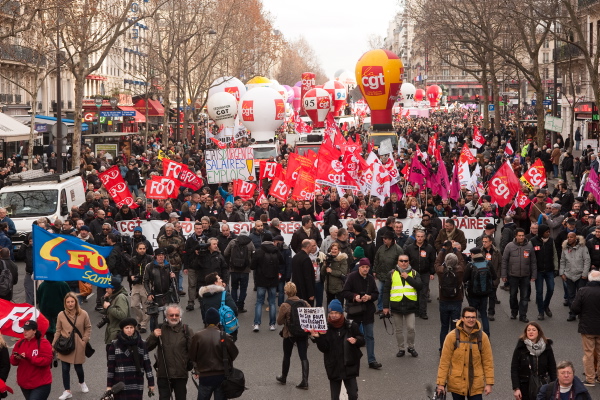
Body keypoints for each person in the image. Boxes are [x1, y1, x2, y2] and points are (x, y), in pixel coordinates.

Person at [310, 299, 365, 400]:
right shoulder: (325, 329)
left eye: (336, 313)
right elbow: (324, 349)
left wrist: (356, 340)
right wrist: (318, 338)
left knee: (353, 395)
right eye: (331, 313)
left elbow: (362, 340)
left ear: (341, 313)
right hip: (333, 367)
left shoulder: (351, 326)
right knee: (334, 398)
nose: (334, 315)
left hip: (349, 366)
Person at [436, 307, 495, 400]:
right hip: (457, 383)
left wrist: (489, 383)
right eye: (468, 317)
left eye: (473, 317)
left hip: (475, 383)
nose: (471, 320)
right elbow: (444, 361)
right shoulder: (452, 336)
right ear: (462, 318)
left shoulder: (482, 337)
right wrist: (441, 384)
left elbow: (488, 361)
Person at [189, 307, 239, 400]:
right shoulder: (224, 336)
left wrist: (197, 369)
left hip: (205, 377)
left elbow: (192, 355)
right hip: (221, 376)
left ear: (206, 321)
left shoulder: (198, 336)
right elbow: (234, 353)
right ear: (218, 320)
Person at [146, 304, 193, 400]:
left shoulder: (186, 330)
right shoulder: (160, 329)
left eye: (176, 315)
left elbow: (193, 351)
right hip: (163, 373)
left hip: (180, 373)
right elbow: (146, 347)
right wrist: (153, 336)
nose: (174, 317)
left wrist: (196, 369)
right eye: (171, 315)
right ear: (166, 316)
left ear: (180, 316)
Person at [342, 257, 381, 369]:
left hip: (367, 311)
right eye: (363, 267)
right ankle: (349, 358)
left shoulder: (370, 278)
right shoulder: (352, 277)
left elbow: (376, 294)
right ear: (359, 267)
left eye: (367, 267)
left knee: (369, 336)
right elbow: (345, 292)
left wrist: (369, 297)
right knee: (351, 336)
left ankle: (372, 360)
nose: (365, 269)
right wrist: (355, 297)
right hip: (354, 311)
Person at [382, 254, 423, 358]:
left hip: (410, 306)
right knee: (398, 329)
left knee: (411, 328)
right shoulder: (391, 274)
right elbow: (386, 291)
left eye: (406, 261)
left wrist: (408, 277)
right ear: (397, 262)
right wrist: (385, 307)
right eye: (401, 261)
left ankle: (411, 347)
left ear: (409, 262)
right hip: (396, 305)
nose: (404, 263)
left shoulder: (414, 273)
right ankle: (401, 348)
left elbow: (419, 286)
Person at [54, 292, 91, 400]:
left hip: (78, 344)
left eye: (72, 301)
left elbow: (88, 327)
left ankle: (82, 382)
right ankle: (67, 390)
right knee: (65, 369)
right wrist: (53, 345)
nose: (70, 304)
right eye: (68, 302)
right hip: (65, 345)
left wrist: (84, 340)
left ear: (75, 302)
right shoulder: (61, 314)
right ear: (65, 303)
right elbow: (58, 330)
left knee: (78, 367)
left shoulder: (83, 313)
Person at [106, 318, 155, 400]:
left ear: (134, 328)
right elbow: (111, 367)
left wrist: (151, 382)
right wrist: (109, 386)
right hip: (120, 383)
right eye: (127, 328)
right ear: (122, 329)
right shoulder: (114, 345)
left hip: (136, 381)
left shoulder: (142, 343)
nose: (129, 330)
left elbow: (147, 364)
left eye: (131, 327)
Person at [276, 282, 311, 389]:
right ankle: (305, 381)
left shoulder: (285, 305)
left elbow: (279, 322)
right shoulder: (304, 303)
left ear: (286, 292)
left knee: (287, 355)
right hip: (302, 334)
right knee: (303, 356)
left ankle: (284, 377)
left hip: (289, 333)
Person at [510, 322, 557, 400]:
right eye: (528, 330)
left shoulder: (546, 347)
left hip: (543, 385)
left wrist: (555, 386)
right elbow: (514, 369)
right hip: (525, 387)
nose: (531, 332)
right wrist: (516, 388)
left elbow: (552, 368)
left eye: (533, 330)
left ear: (538, 332)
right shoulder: (521, 348)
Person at [570, 270, 600, 386]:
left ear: (589, 279)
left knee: (588, 353)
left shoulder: (583, 291)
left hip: (587, 327)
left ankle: (590, 378)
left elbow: (575, 308)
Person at [502, 228, 537, 322]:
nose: (521, 237)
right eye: (519, 235)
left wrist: (534, 275)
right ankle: (514, 312)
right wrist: (504, 275)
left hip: (525, 276)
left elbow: (533, 261)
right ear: (515, 236)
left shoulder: (529, 246)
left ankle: (523, 315)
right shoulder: (509, 246)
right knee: (513, 295)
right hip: (513, 275)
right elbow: (504, 261)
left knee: (524, 297)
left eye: (523, 235)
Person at [11, 320, 53, 399]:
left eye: (27, 330)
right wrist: (15, 358)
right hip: (24, 384)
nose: (25, 332)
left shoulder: (43, 343)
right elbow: (12, 362)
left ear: (34, 331)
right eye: (24, 330)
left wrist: (29, 357)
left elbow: (47, 360)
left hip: (41, 384)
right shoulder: (20, 343)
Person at [250, 232, 283, 332]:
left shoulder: (259, 251)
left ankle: (257, 324)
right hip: (273, 280)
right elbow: (282, 262)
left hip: (261, 280)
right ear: (272, 241)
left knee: (259, 302)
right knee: (272, 302)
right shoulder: (276, 251)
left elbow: (252, 266)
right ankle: (272, 324)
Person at [435, 248, 467, 350]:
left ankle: (442, 348)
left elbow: (437, 262)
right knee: (454, 327)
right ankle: (453, 348)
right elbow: (462, 261)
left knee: (444, 327)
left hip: (443, 301)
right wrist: (456, 250)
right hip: (456, 301)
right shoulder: (460, 271)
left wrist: (443, 250)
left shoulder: (441, 271)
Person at [464, 248, 496, 338]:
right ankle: (486, 335)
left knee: (472, 315)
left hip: (473, 294)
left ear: (473, 254)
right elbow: (494, 276)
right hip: (485, 293)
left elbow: (464, 279)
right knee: (483, 314)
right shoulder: (488, 263)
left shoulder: (470, 265)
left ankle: (473, 334)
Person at [404, 229, 436, 319]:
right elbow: (406, 260)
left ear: (424, 237)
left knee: (423, 293)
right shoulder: (410, 248)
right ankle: (415, 311)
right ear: (415, 237)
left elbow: (432, 261)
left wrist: (432, 272)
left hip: (425, 273)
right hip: (413, 273)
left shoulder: (429, 248)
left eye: (422, 236)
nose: (420, 238)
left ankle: (423, 312)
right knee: (414, 292)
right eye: (418, 236)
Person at [143, 248, 177, 331]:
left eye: (162, 255)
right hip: (155, 295)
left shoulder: (169, 266)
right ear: (155, 256)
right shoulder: (149, 266)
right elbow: (145, 281)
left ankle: (168, 332)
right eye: (159, 255)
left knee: (168, 315)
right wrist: (149, 293)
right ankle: (153, 334)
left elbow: (174, 283)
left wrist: (173, 277)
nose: (161, 257)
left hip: (167, 294)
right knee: (154, 317)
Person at [529, 224, 558, 321]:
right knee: (539, 292)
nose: (548, 233)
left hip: (549, 270)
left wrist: (556, 268)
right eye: (546, 232)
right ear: (541, 232)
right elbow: (530, 256)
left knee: (551, 289)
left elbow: (555, 254)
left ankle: (546, 305)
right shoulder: (533, 241)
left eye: (549, 232)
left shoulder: (551, 241)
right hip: (538, 271)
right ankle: (541, 312)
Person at [560, 232, 591, 321]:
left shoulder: (582, 247)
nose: (569, 239)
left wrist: (585, 274)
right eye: (568, 237)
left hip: (581, 276)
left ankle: (582, 314)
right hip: (569, 275)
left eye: (571, 237)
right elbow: (562, 261)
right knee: (571, 296)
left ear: (575, 238)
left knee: (581, 296)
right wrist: (562, 273)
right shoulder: (565, 248)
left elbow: (587, 260)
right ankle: (572, 313)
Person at [198, 272, 238, 340]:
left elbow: (203, 313)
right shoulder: (224, 294)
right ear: (215, 282)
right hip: (225, 328)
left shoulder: (204, 297)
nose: (221, 280)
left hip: (211, 329)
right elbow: (234, 309)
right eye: (219, 279)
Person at [223, 230, 255, 313]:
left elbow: (225, 253)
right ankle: (241, 306)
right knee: (243, 289)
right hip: (245, 270)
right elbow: (254, 255)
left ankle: (234, 306)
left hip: (234, 269)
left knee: (234, 288)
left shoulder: (233, 242)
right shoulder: (250, 243)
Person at [373, 230, 404, 312]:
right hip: (381, 274)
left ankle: (391, 308)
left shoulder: (398, 249)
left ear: (391, 240)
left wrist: (397, 271)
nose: (384, 240)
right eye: (383, 238)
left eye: (386, 238)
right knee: (380, 292)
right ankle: (380, 308)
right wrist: (374, 270)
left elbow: (403, 262)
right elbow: (376, 259)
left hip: (393, 276)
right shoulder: (381, 248)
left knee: (392, 292)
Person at [130, 241, 152, 333]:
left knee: (146, 306)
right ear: (136, 250)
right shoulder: (133, 260)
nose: (142, 250)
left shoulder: (150, 259)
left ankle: (143, 325)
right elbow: (129, 270)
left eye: (144, 248)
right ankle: (140, 320)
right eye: (140, 249)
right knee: (133, 305)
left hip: (146, 284)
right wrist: (131, 276)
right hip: (136, 285)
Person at [103, 276, 131, 350]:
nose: (106, 290)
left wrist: (109, 308)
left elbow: (123, 315)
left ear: (114, 289)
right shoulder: (114, 296)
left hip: (118, 335)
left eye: (107, 288)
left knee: (115, 360)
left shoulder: (120, 297)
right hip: (113, 334)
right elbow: (105, 311)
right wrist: (106, 299)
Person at [321, 242, 348, 307]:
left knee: (339, 307)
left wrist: (332, 271)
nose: (333, 251)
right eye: (332, 249)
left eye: (335, 249)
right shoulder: (327, 258)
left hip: (339, 288)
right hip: (329, 288)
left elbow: (343, 273)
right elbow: (322, 273)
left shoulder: (342, 259)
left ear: (339, 250)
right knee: (330, 307)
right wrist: (324, 265)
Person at [291, 239, 316, 306]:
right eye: (311, 246)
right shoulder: (306, 259)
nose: (312, 248)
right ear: (308, 247)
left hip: (297, 289)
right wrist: (311, 293)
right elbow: (308, 277)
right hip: (305, 291)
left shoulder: (295, 257)